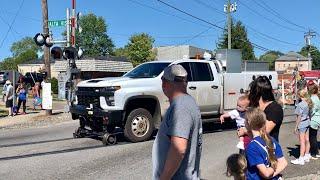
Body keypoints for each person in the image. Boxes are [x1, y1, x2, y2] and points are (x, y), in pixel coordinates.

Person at [152, 64, 202, 180]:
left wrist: (163, 178)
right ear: (186, 83)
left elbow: (178, 149)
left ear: (165, 83)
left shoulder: (181, 106)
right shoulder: (187, 102)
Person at [245, 108, 287, 180]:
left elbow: (266, 173)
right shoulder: (271, 139)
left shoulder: (252, 146)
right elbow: (283, 162)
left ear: (248, 122)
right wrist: (274, 173)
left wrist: (270, 173)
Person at [245, 76, 284, 142]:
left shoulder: (274, 109)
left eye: (251, 91)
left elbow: (264, 133)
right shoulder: (254, 106)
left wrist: (245, 131)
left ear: (256, 92)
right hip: (252, 146)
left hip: (267, 149)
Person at [291, 90, 311, 165]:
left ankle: (301, 158)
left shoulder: (300, 105)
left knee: (302, 141)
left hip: (302, 123)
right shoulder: (308, 103)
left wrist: (295, 127)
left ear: (300, 95)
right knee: (307, 139)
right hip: (307, 122)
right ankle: (306, 155)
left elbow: (298, 117)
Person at [307, 82, 320, 159]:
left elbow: (312, 110)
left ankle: (313, 153)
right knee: (314, 136)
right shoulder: (317, 98)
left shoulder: (312, 98)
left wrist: (308, 116)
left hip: (313, 119)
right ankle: (317, 152)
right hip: (318, 118)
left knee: (312, 137)